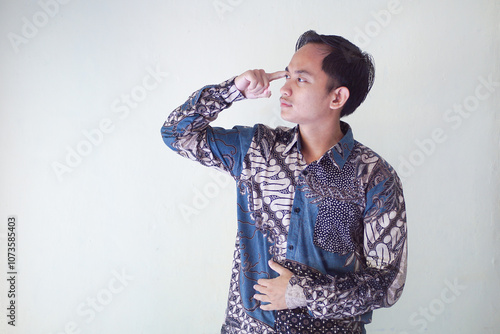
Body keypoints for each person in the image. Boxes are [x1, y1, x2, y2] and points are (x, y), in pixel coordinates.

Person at [161, 30, 407, 334]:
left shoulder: (374, 176)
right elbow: (176, 134)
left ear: (337, 97)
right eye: (287, 76)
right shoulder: (255, 149)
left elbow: (387, 284)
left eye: (300, 79)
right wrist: (234, 90)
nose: (284, 89)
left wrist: (304, 292)